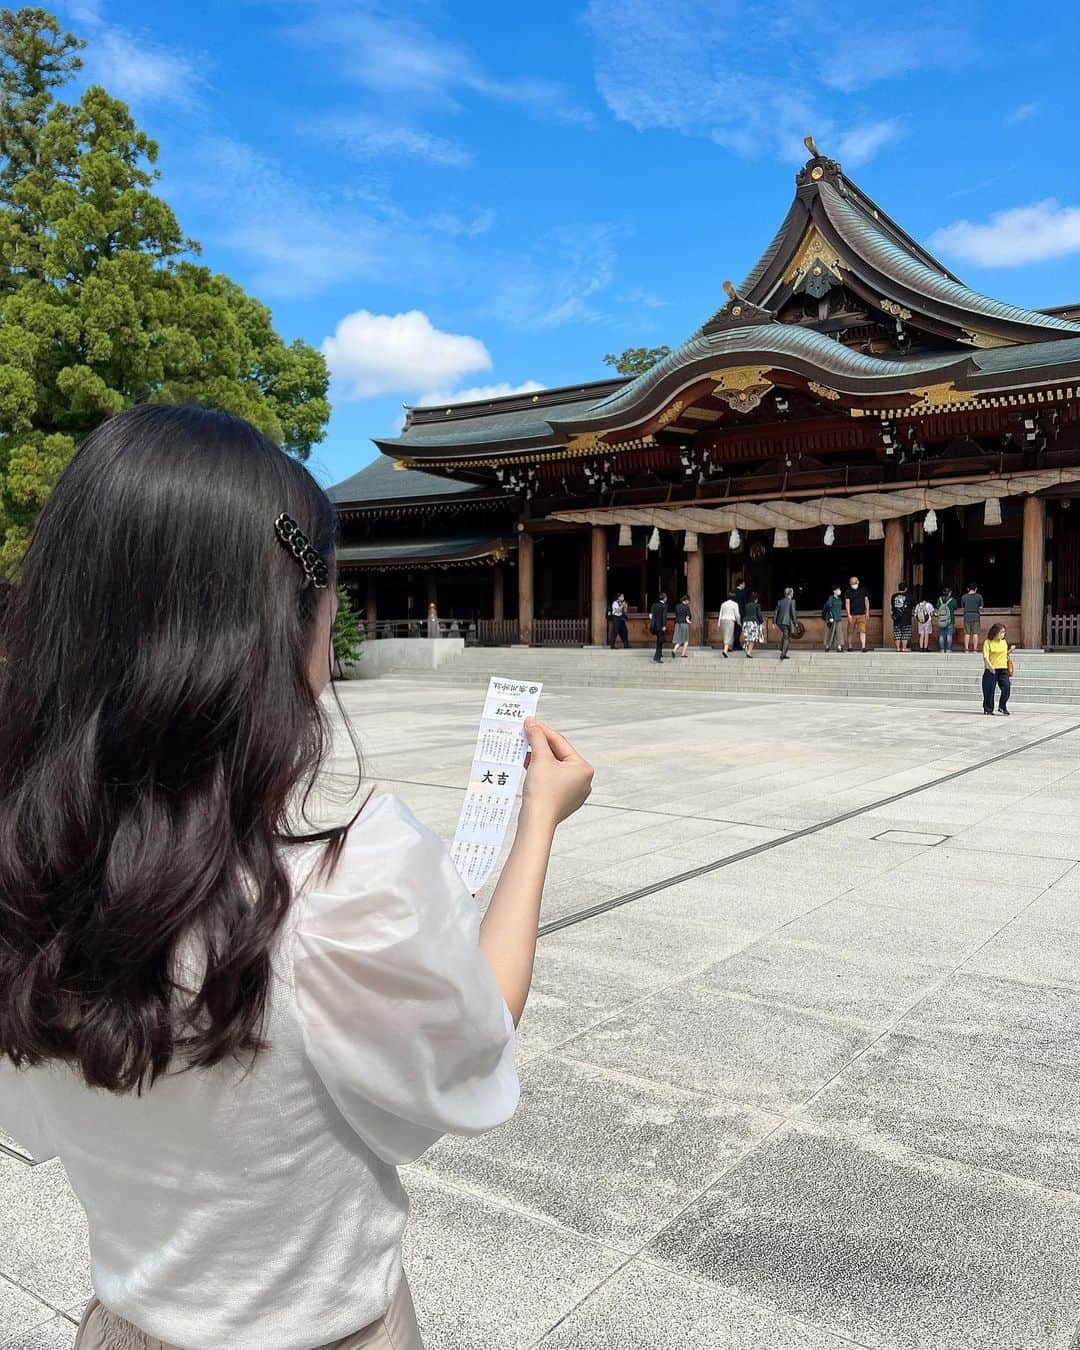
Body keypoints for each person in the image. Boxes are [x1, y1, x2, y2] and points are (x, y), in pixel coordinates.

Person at [0, 405, 594, 1350]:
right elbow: (474, 1035)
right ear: (294, 615)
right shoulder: (344, 881)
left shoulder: (27, 879)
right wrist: (538, 825)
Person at [981, 621, 1015, 714]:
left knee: (1006, 687)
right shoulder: (988, 642)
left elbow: (1004, 654)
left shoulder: (1003, 642)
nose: (1003, 634)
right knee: (989, 690)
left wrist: (1010, 651)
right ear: (995, 632)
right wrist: (990, 666)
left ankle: (1002, 706)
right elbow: (985, 656)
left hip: (1003, 668)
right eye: (1002, 632)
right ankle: (988, 709)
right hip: (991, 669)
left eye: (1004, 632)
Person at [843, 575, 870, 652]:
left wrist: (867, 612)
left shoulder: (863, 590)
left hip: (862, 614)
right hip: (852, 614)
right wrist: (848, 614)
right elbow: (847, 603)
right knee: (850, 631)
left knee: (863, 630)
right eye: (851, 584)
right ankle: (850, 646)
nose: (853, 585)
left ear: (858, 582)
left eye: (854, 583)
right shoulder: (848, 592)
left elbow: (866, 601)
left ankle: (863, 647)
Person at [774, 587, 797, 660]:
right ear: (790, 593)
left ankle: (781, 647)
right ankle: (783, 653)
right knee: (787, 638)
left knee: (785, 635)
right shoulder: (792, 601)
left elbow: (776, 612)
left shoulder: (780, 601)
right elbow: (793, 613)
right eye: (792, 592)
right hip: (787, 622)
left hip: (780, 622)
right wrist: (795, 622)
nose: (793, 594)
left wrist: (774, 622)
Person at [890, 580, 913, 652]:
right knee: (905, 633)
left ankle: (897, 648)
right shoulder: (909, 597)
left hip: (896, 617)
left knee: (897, 633)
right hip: (906, 617)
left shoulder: (893, 596)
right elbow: (912, 605)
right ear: (906, 588)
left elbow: (892, 606)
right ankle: (904, 648)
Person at [962, 582, 984, 653]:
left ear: (968, 589)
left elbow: (963, 607)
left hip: (967, 616)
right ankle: (975, 650)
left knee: (967, 633)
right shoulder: (979, 596)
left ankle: (966, 649)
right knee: (975, 633)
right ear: (976, 589)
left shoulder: (964, 597)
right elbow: (981, 607)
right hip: (976, 616)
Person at [936, 586, 958, 653]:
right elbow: (955, 607)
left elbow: (937, 607)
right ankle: (948, 649)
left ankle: (942, 649)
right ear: (950, 593)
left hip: (941, 620)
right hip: (950, 620)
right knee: (949, 635)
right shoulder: (953, 600)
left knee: (941, 635)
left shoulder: (939, 599)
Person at [821, 585, 844, 651]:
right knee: (830, 632)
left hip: (838, 618)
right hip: (832, 618)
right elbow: (829, 607)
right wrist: (831, 617)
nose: (839, 591)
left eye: (839, 589)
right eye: (837, 590)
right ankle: (827, 646)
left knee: (839, 633)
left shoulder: (839, 599)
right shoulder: (831, 598)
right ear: (834, 591)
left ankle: (839, 647)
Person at [741, 591, 763, 657]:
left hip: (745, 622)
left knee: (747, 637)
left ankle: (746, 646)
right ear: (756, 599)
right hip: (753, 623)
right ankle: (749, 652)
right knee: (752, 638)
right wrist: (761, 622)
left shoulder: (746, 605)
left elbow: (743, 614)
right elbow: (759, 615)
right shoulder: (757, 605)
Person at [718, 593, 740, 657]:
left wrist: (719, 622)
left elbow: (720, 613)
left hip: (723, 620)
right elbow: (737, 614)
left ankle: (729, 648)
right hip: (730, 620)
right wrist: (739, 622)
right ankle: (725, 650)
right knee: (729, 634)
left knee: (726, 634)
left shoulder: (723, 604)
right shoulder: (735, 604)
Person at [650, 591, 668, 663]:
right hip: (661, 626)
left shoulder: (654, 605)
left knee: (658, 640)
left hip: (655, 626)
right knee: (660, 642)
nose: (666, 599)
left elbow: (651, 615)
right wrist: (664, 626)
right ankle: (657, 657)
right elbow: (664, 617)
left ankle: (659, 654)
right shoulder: (664, 606)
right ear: (664, 598)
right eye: (666, 597)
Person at [672, 593, 691, 658]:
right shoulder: (686, 607)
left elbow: (676, 615)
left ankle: (674, 650)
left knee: (679, 639)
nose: (689, 602)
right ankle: (683, 654)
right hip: (684, 624)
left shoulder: (677, 606)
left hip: (677, 624)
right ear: (686, 600)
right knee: (686, 640)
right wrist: (688, 619)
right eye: (688, 601)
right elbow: (689, 615)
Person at [733, 576, 749, 646]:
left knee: (735, 628)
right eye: (744, 584)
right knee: (739, 628)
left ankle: (735, 643)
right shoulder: (743, 592)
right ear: (741, 584)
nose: (744, 585)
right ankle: (736, 643)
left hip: (733, 612)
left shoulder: (733, 591)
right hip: (741, 612)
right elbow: (745, 603)